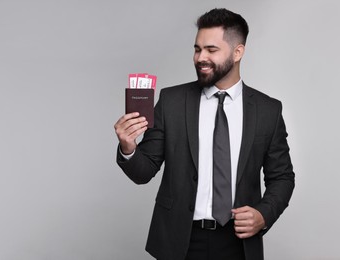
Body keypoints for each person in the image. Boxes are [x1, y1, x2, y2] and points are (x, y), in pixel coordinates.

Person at [114, 8, 295, 260]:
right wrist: (128, 148)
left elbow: (283, 177)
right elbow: (144, 172)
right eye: (197, 49)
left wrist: (264, 214)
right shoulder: (171, 101)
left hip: (239, 243)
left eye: (211, 50)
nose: (200, 57)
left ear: (238, 52)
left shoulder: (268, 110)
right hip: (181, 241)